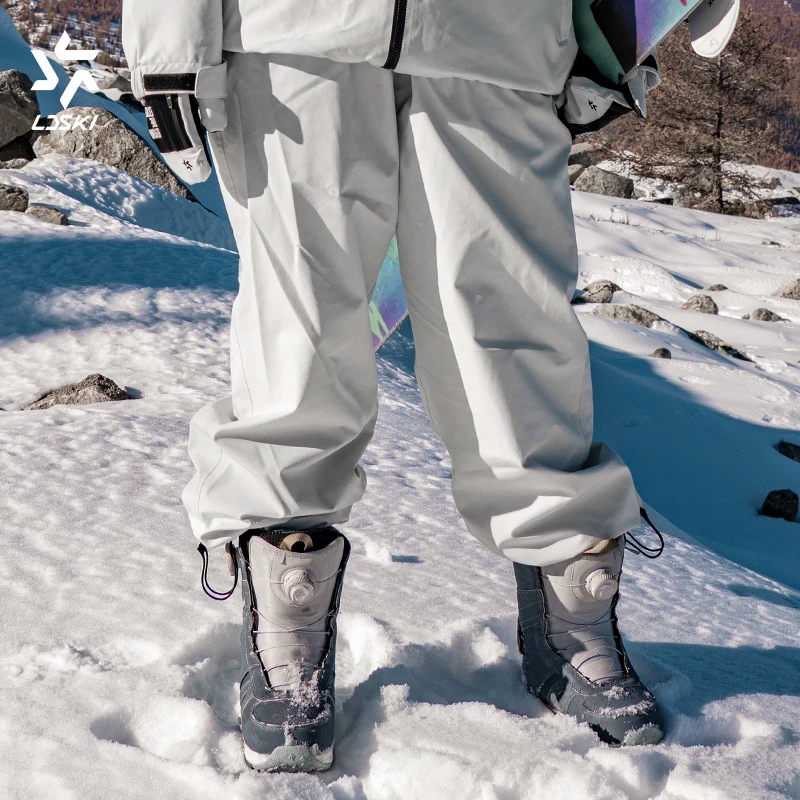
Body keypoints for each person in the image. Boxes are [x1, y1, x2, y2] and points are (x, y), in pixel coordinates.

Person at [122, 0, 665, 773]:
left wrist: (612, 35)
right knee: (299, 329)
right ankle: (289, 613)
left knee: (514, 324)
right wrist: (166, 34)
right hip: (292, 31)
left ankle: (573, 602)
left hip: (498, 30)